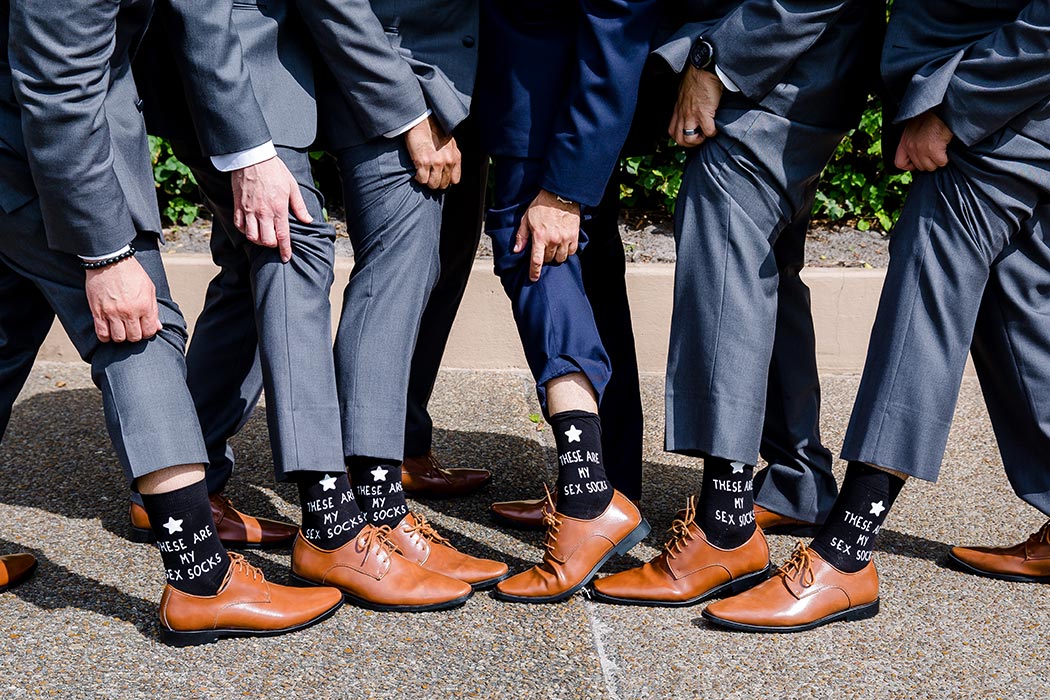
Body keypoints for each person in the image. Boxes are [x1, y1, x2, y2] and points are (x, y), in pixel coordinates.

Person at [0, 0, 343, 645]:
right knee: (138, 327)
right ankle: (202, 581)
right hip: (37, 150)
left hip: (35, 130)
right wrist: (105, 253)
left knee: (4, 333)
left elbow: (202, 15)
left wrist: (251, 152)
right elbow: (56, 88)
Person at [704, 0, 1050, 632]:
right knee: (1018, 302)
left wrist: (954, 108)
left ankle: (847, 551)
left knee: (925, 298)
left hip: (999, 107)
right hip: (1017, 103)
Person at [133, 0, 478, 610]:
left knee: (254, 267)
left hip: (331, 47)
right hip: (238, 46)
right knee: (290, 246)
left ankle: (209, 474)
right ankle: (330, 521)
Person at [590, 0, 880, 607]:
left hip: (776, 64)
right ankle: (797, 480)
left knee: (726, 245)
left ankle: (724, 525)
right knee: (764, 266)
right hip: (807, 62)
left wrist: (715, 63)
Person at [476, 0, 661, 604]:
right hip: (536, 100)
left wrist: (564, 186)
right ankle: (607, 485)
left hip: (552, 113)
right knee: (590, 281)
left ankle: (590, 499)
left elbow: (618, 22)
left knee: (533, 255)